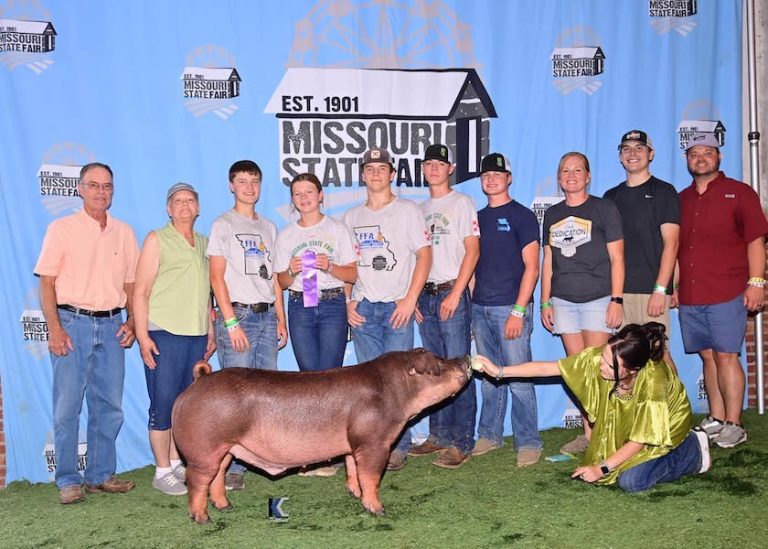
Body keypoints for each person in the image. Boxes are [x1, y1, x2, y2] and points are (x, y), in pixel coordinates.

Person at [474, 322, 711, 492]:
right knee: (610, 463)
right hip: (633, 429)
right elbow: (550, 368)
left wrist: (602, 469)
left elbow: (642, 440)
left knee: (632, 482)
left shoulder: (653, 382)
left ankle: (691, 450)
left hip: (663, 431)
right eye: (604, 358)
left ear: (632, 370)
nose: (601, 366)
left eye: (610, 366)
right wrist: (500, 371)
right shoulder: (603, 358)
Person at [34, 162, 138, 504]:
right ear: (79, 189)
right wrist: (54, 328)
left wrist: (132, 321)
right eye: (93, 185)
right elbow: (47, 281)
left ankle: (100, 474)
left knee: (109, 405)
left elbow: (131, 284)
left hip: (112, 324)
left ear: (113, 190)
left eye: (107, 186)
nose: (101, 192)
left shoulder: (124, 232)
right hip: (72, 322)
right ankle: (67, 479)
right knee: (67, 407)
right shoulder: (61, 228)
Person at [342, 147, 432, 471]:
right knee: (369, 385)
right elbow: (347, 265)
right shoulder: (351, 217)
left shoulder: (408, 211)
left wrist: (411, 298)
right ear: (363, 174)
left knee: (399, 383)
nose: (376, 173)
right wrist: (348, 299)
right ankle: (371, 443)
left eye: (382, 168)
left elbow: (424, 256)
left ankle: (399, 447)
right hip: (364, 308)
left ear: (392, 174)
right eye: (370, 168)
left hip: (397, 309)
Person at [676, 134, 768, 448]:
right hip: (691, 294)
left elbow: (756, 240)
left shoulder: (740, 193)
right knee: (708, 357)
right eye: (694, 153)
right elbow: (675, 249)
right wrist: (675, 286)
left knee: (727, 356)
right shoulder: (681, 199)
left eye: (707, 153)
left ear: (719, 157)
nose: (700, 158)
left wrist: (757, 282)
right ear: (687, 159)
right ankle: (716, 418)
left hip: (728, 290)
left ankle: (735, 422)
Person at [207, 160, 288, 490]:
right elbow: (216, 277)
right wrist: (229, 323)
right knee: (236, 397)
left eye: (254, 180)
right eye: (242, 181)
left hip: (267, 314)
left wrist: (280, 318)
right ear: (231, 186)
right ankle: (231, 469)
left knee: (268, 393)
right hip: (238, 315)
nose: (249, 187)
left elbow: (276, 281)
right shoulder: (223, 224)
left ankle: (263, 458)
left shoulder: (269, 227)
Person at [133, 182, 216, 495]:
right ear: (169, 209)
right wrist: (143, 336)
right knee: (163, 401)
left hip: (195, 333)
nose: (184, 206)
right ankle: (161, 470)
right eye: (178, 201)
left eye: (190, 200)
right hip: (163, 331)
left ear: (198, 208)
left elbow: (207, 291)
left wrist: (210, 329)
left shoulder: (204, 242)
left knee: (186, 404)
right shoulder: (157, 239)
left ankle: (176, 461)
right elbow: (140, 291)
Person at [541, 151, 624, 456]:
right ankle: (589, 435)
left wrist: (616, 299)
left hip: (598, 299)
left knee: (600, 368)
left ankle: (606, 435)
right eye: (565, 170)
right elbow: (548, 261)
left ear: (588, 176)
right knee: (579, 373)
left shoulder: (604, 208)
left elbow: (617, 258)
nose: (571, 175)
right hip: (563, 300)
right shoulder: (551, 214)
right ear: (559, 178)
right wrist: (544, 302)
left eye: (578, 170)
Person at [274, 173, 358, 476]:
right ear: (293, 200)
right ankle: (310, 453)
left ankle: (331, 454)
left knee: (331, 380)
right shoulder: (285, 236)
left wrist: (329, 266)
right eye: (298, 194)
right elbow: (279, 282)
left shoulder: (337, 229)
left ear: (321, 195)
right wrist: (291, 271)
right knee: (309, 380)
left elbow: (352, 274)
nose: (304, 197)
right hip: (301, 306)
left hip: (333, 303)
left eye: (309, 192)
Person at [407, 144, 480, 469]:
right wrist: (415, 296)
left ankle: (462, 440)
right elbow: (414, 257)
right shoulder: (417, 209)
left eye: (440, 163)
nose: (434, 168)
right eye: (429, 163)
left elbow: (472, 251)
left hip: (451, 290)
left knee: (459, 368)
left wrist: (457, 293)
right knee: (432, 370)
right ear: (423, 169)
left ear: (450, 168)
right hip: (426, 295)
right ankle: (439, 434)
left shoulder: (462, 203)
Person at [470, 152, 543, 467]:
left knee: (519, 377)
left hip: (510, 309)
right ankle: (489, 434)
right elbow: (471, 264)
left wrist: (518, 310)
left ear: (509, 178)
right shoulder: (477, 217)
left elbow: (533, 267)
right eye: (486, 174)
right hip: (480, 308)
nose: (491, 178)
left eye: (498, 174)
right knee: (488, 376)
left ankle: (528, 441)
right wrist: (471, 306)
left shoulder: (523, 216)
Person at [603, 130, 679, 372]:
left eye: (639, 148)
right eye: (626, 149)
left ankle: (675, 408)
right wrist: (613, 296)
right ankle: (638, 410)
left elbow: (672, 244)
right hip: (619, 293)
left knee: (658, 355)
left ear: (651, 154)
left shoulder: (664, 192)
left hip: (651, 291)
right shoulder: (611, 197)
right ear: (620, 156)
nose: (632, 153)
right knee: (626, 359)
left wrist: (661, 289)